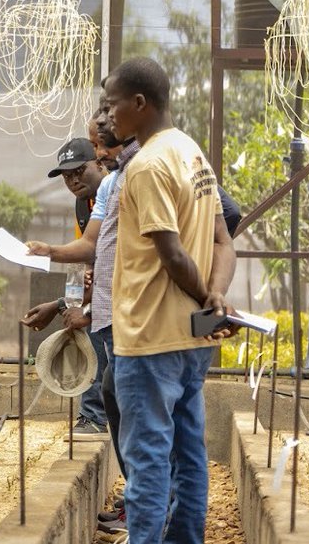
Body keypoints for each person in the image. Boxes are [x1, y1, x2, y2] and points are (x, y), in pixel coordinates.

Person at [105, 57, 235, 544]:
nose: (108, 114)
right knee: (189, 453)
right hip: (190, 336)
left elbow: (174, 256)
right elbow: (224, 241)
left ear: (139, 104)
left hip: (149, 339)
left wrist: (209, 296)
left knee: (148, 462)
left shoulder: (147, 166)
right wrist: (216, 298)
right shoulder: (193, 154)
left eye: (113, 103)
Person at [34, 137, 111, 441]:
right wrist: (68, 303)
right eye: (66, 176)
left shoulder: (118, 192)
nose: (73, 180)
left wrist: (86, 309)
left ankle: (94, 417)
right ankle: (93, 416)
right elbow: (83, 259)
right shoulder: (84, 204)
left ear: (100, 163)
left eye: (80, 171)